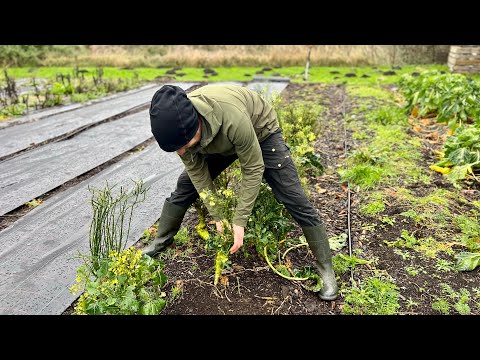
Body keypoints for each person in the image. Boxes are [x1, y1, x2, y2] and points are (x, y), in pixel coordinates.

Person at [144, 84, 338, 301]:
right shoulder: (179, 134)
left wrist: (239, 220)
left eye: (182, 145)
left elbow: (253, 167)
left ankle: (325, 268)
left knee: (294, 198)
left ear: (195, 126)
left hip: (259, 130)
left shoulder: (231, 117)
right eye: (175, 148)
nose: (180, 152)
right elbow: (198, 174)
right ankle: (160, 243)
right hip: (216, 140)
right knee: (184, 188)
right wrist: (217, 214)